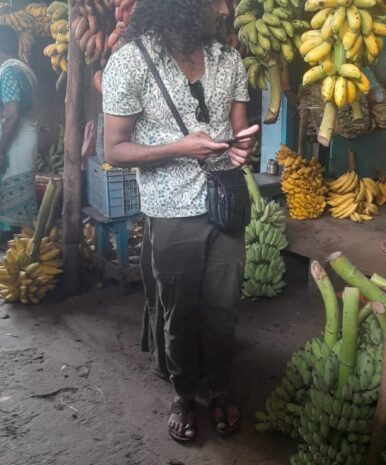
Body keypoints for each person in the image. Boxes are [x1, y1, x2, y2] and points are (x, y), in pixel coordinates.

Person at [102, 0, 259, 444]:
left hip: (223, 204)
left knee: (223, 309)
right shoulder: (129, 61)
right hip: (171, 209)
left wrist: (241, 148)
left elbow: (237, 133)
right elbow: (114, 150)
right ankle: (184, 394)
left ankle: (222, 387)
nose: (227, 10)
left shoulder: (228, 60)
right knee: (180, 312)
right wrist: (179, 148)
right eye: (217, 1)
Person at [0, 25, 38, 240]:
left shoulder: (9, 72)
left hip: (16, 142)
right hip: (23, 139)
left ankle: (11, 250)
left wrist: (1, 150)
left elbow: (12, 114)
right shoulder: (22, 68)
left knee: (11, 201)